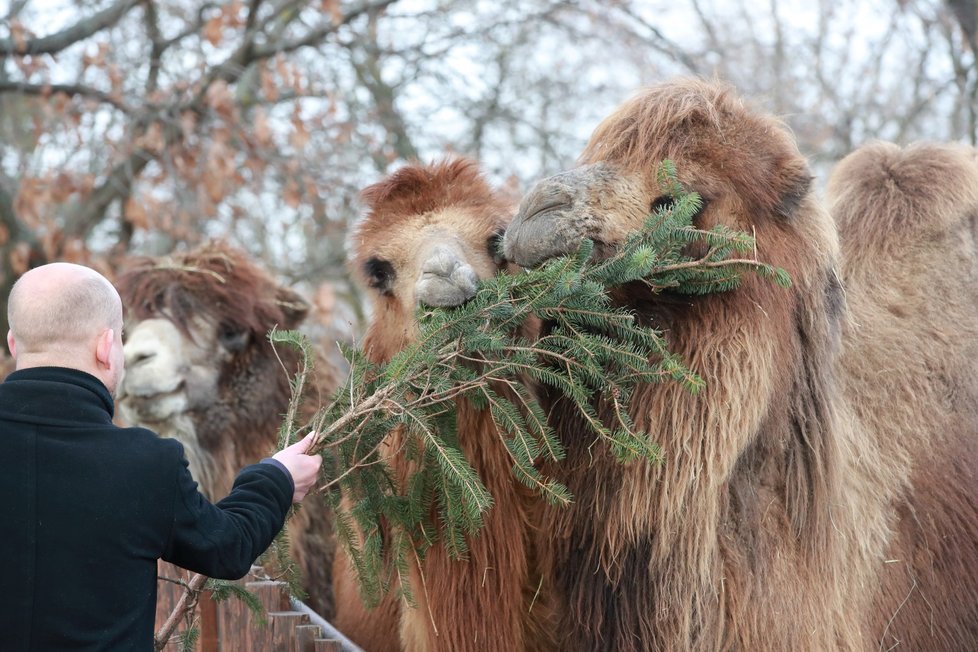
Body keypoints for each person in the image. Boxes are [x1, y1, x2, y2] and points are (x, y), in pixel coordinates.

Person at [0, 262, 323, 651]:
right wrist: (277, 477)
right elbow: (228, 547)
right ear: (107, 347)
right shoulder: (146, 464)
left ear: (13, 343)